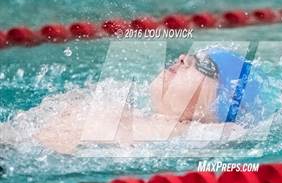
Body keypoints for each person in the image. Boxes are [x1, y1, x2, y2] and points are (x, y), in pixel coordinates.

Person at [33, 47, 266, 154]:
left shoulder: (206, 132)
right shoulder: (125, 108)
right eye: (191, 56)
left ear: (221, 101)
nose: (183, 58)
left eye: (205, 65)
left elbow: (238, 131)